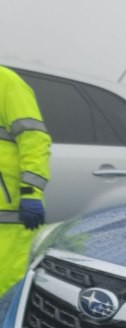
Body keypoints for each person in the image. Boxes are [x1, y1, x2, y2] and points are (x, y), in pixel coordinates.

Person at [0, 65, 51, 295]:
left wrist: (31, 191)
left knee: (6, 284)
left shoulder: (6, 81)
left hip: (6, 210)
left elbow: (34, 138)